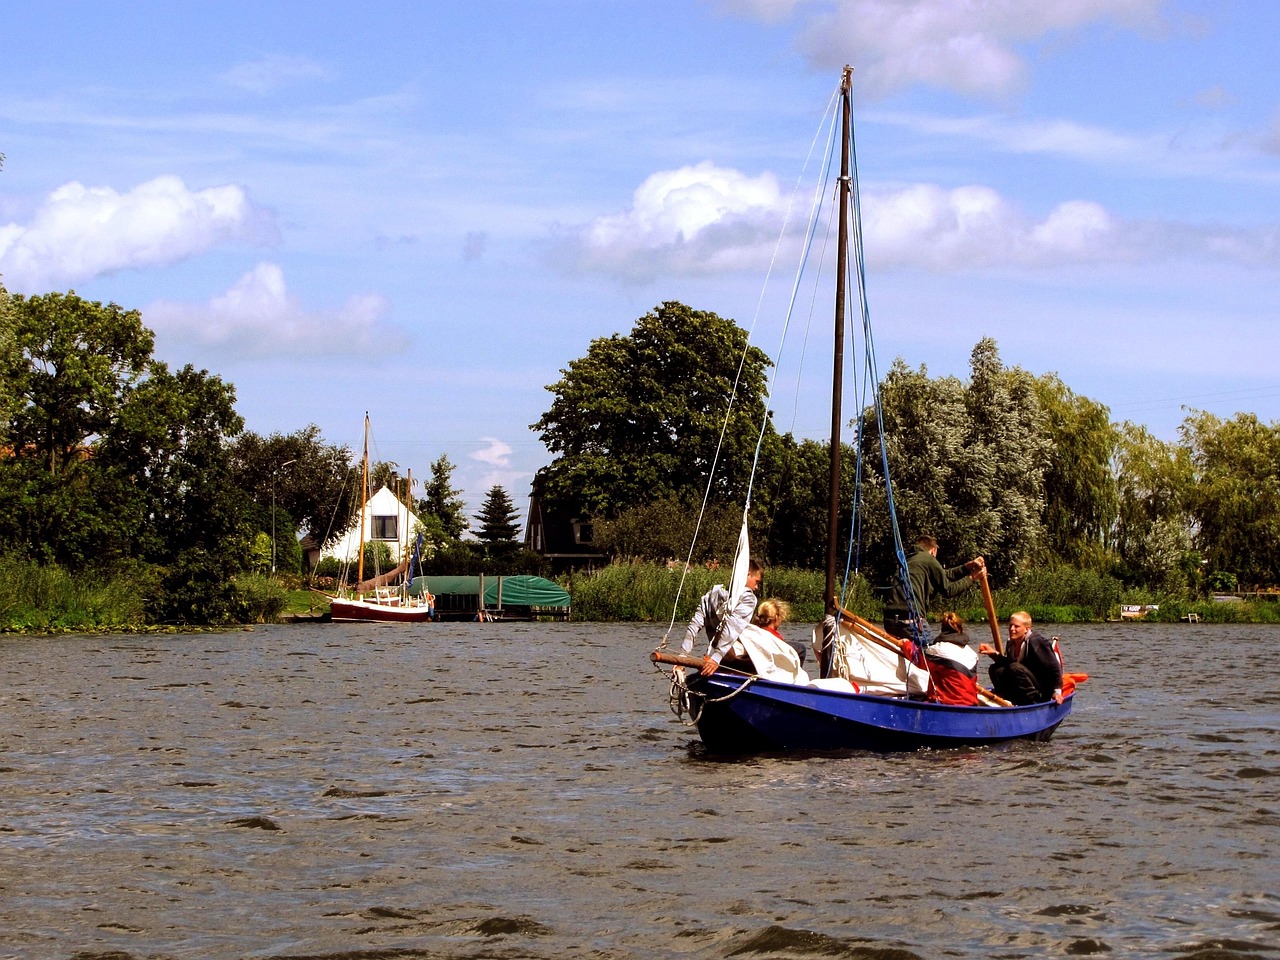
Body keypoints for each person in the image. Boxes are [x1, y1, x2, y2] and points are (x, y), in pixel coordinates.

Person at [882, 536, 985, 642]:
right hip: (911, 621)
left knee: (907, 654)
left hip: (889, 621)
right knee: (933, 654)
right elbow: (949, 590)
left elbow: (943, 575)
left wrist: (967, 567)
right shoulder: (928, 558)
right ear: (933, 550)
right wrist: (973, 577)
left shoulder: (908, 559)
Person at [680, 559, 763, 676]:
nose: (756, 587)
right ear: (748, 574)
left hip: (720, 656)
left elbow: (694, 626)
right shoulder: (748, 598)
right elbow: (732, 628)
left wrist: (683, 655)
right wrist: (716, 657)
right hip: (733, 657)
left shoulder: (709, 597)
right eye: (756, 581)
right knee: (795, 649)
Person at [979, 610, 1063, 705]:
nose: (1012, 629)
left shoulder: (1036, 642)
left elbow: (1054, 667)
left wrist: (1057, 692)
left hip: (1041, 690)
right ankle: (1007, 698)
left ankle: (1033, 702)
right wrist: (994, 654)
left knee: (1015, 668)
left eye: (1016, 626)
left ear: (1026, 629)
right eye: (1010, 625)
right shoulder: (1011, 643)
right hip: (1022, 683)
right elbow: (1008, 664)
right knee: (996, 669)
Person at [920, 611, 979, 705]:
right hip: (970, 703)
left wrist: (905, 644)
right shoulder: (972, 654)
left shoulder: (937, 650)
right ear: (960, 629)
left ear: (942, 629)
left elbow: (918, 660)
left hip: (948, 703)